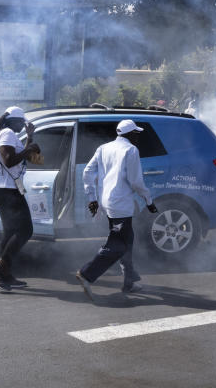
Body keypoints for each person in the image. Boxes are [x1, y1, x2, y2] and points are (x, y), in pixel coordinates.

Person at [77, 120, 158, 300]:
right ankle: (87, 274)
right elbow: (136, 181)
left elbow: (87, 173)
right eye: (136, 133)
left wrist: (92, 198)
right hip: (121, 204)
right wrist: (149, 200)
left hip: (107, 201)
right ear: (129, 134)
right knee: (118, 244)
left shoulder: (103, 148)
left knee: (127, 240)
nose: (138, 136)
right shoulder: (131, 150)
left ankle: (129, 281)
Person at [0, 106, 41, 290]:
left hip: (5, 187)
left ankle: (5, 273)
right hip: (5, 190)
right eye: (21, 123)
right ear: (13, 121)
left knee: (10, 232)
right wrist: (29, 147)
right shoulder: (7, 133)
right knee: (25, 231)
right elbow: (9, 159)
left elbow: (20, 156)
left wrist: (30, 139)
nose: (22, 127)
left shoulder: (5, 132)